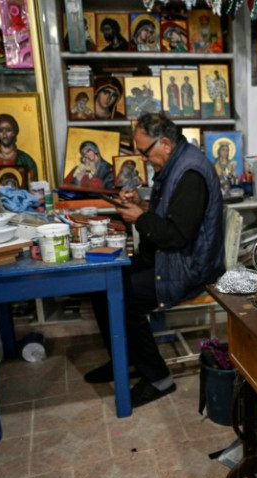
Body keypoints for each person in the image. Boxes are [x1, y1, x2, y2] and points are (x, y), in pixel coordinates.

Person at [84, 113, 224, 409]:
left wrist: (141, 218)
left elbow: (176, 236)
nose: (144, 159)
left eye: (146, 152)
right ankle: (125, 361)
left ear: (165, 144)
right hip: (168, 258)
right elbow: (170, 218)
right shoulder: (175, 164)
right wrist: (142, 206)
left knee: (124, 296)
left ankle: (158, 377)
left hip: (189, 267)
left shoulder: (190, 174)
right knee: (100, 284)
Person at [0, 113, 38, 207]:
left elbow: (34, 190)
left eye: (8, 130)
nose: (4, 134)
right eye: (1, 131)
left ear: (14, 133)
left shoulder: (26, 160)